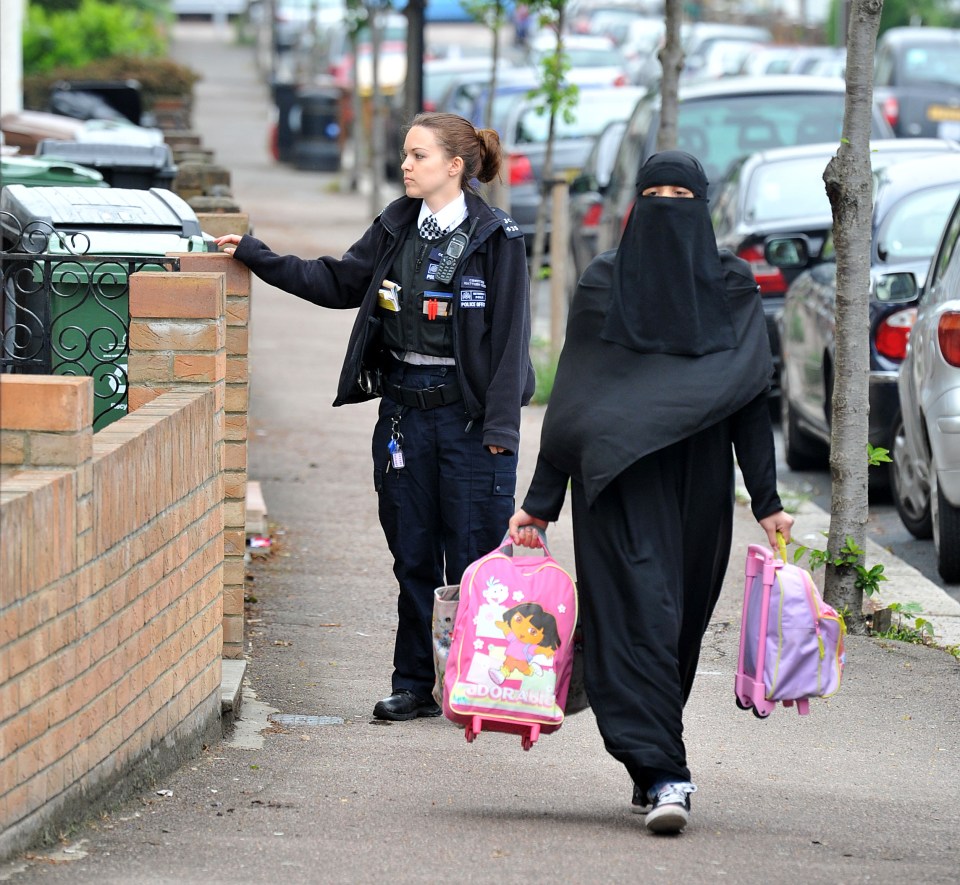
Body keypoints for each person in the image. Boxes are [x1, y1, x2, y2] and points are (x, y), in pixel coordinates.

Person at [507, 150, 794, 835]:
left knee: (676, 627)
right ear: (636, 204)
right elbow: (575, 399)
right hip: (618, 482)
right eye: (655, 193)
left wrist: (768, 498)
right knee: (637, 616)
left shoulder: (733, 288)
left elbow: (751, 400)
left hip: (699, 482)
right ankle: (667, 771)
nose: (668, 206)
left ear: (703, 205)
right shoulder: (605, 284)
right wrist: (539, 503)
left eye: (681, 194)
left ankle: (648, 763)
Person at [217, 112, 535, 722]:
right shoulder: (396, 226)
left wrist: (500, 435)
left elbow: (509, 346)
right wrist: (257, 256)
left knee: (472, 561)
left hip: (469, 426)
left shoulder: (497, 239)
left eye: (418, 156)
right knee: (412, 555)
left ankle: (476, 687)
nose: (406, 165)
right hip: (404, 419)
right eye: (405, 155)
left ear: (455, 167)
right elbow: (337, 281)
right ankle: (415, 683)